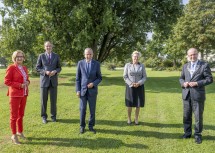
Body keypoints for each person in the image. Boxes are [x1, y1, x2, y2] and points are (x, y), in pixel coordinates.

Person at [179, 48, 213, 144]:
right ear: (188, 55)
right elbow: (181, 78)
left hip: (198, 95)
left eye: (194, 54)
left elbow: (209, 79)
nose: (192, 56)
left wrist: (197, 83)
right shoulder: (185, 66)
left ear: (197, 54)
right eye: (190, 55)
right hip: (186, 95)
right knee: (186, 116)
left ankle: (198, 135)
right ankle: (187, 133)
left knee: (198, 116)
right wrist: (183, 83)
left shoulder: (204, 65)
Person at [4, 50, 30, 145]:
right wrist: (20, 85)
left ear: (23, 58)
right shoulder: (11, 68)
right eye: (18, 56)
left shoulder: (24, 68)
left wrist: (27, 82)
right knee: (14, 116)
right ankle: (14, 135)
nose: (20, 58)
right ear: (14, 58)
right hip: (15, 95)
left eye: (21, 56)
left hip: (24, 94)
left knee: (21, 114)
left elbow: (27, 79)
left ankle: (20, 131)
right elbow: (7, 81)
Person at [76, 48, 102, 134]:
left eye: (90, 54)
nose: (88, 56)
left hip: (92, 91)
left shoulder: (96, 64)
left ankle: (91, 126)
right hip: (83, 91)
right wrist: (78, 90)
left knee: (92, 110)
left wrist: (93, 84)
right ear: (84, 55)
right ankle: (82, 126)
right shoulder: (80, 63)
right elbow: (78, 79)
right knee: (82, 109)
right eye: (87, 54)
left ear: (92, 55)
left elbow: (99, 78)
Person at [36, 41, 61, 124]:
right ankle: (44, 117)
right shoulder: (41, 56)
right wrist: (44, 72)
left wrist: (55, 71)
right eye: (47, 46)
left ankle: (53, 116)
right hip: (44, 81)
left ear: (52, 47)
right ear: (44, 47)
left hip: (53, 81)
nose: (48, 47)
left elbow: (59, 67)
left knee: (53, 100)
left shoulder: (56, 56)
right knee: (43, 100)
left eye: (50, 46)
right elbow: (37, 68)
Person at [123, 51, 147, 125]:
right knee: (129, 104)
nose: (135, 58)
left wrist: (139, 83)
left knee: (138, 104)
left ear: (138, 57)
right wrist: (131, 83)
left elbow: (144, 77)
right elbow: (125, 76)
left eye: (137, 56)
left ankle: (136, 119)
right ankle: (129, 118)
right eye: (134, 56)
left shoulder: (142, 65)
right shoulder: (127, 65)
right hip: (130, 87)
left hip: (139, 87)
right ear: (132, 57)